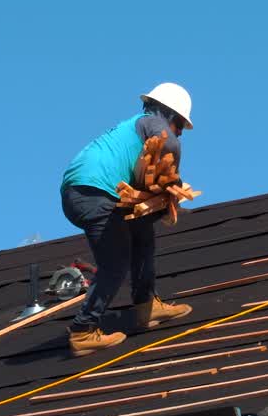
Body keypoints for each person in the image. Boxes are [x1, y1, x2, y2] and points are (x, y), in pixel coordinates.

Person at [59, 83, 196, 357]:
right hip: (93, 192)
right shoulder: (152, 123)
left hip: (85, 190)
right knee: (116, 262)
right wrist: (175, 182)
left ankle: (146, 305)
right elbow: (168, 141)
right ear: (168, 113)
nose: (180, 131)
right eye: (180, 123)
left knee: (142, 231)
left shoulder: (134, 130)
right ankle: (83, 330)